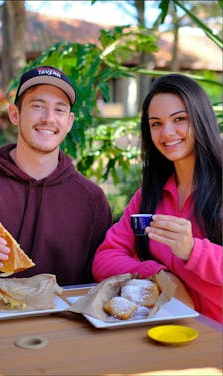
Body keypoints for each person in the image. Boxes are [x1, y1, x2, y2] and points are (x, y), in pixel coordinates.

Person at [92, 74, 222, 323]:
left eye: (179, 119)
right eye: (156, 124)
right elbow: (104, 258)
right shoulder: (149, 196)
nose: (167, 132)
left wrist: (193, 250)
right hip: (166, 326)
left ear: (201, 119)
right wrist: (159, 274)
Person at [0, 66, 112, 285]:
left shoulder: (91, 200)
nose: (49, 118)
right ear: (15, 114)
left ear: (70, 122)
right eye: (37, 106)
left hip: (60, 318)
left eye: (59, 110)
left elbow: (99, 282)